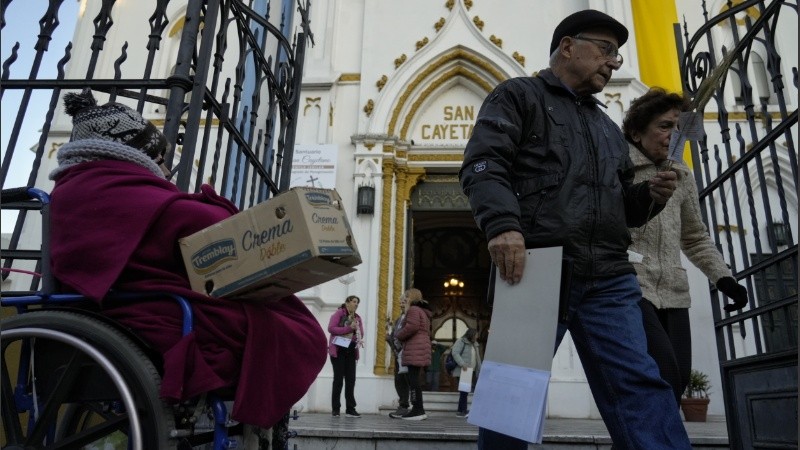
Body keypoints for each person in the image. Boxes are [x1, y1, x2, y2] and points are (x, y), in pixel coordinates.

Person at [459, 9, 692, 450]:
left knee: (640, 385)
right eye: (606, 50)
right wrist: (504, 226)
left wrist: (649, 197)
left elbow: (623, 206)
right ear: (568, 45)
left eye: (618, 55)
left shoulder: (607, 127)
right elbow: (483, 165)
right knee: (513, 390)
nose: (613, 62)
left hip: (609, 275)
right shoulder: (517, 97)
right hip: (534, 267)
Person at [48, 89, 328, 431]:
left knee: (277, 315)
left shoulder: (99, 182)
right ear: (132, 151)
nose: (165, 169)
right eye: (158, 157)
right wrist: (218, 207)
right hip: (141, 302)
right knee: (284, 328)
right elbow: (189, 221)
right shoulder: (107, 185)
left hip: (147, 293)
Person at [622, 87, 749, 404]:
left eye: (678, 128)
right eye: (665, 126)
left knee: (676, 381)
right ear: (637, 134)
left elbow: (694, 236)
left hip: (674, 290)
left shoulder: (682, 175)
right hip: (632, 284)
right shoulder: (620, 169)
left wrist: (724, 278)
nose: (673, 135)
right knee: (660, 373)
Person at [390, 288, 432, 420]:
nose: (405, 299)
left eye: (407, 297)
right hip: (419, 348)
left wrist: (398, 335)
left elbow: (412, 327)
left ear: (412, 298)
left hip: (415, 348)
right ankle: (418, 409)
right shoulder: (422, 311)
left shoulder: (413, 310)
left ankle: (417, 410)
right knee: (414, 380)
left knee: (413, 381)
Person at [328, 295, 365, 418]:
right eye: (354, 302)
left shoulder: (357, 317)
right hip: (338, 351)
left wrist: (357, 330)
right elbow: (331, 328)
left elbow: (361, 333)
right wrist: (349, 328)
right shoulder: (338, 313)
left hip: (350, 351)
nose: (356, 304)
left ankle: (350, 408)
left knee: (351, 380)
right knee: (338, 380)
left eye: (357, 303)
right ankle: (336, 409)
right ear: (347, 302)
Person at [385, 293, 410, 417]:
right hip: (398, 354)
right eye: (400, 302)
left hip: (407, 353)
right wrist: (389, 338)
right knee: (398, 380)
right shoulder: (399, 319)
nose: (401, 304)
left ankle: (405, 405)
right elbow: (395, 335)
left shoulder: (411, 317)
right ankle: (402, 404)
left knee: (406, 381)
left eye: (404, 301)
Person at [450, 328, 481, 417]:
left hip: (472, 371)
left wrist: (479, 368)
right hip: (464, 370)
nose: (477, 336)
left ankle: (461, 410)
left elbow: (477, 357)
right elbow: (455, 353)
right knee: (464, 391)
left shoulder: (475, 344)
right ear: (471, 335)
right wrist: (462, 364)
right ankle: (462, 411)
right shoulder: (461, 341)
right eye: (476, 335)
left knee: (465, 391)